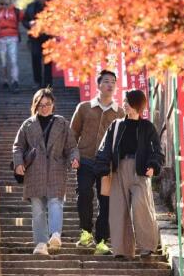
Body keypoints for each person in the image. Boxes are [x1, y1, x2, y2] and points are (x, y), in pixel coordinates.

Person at [95, 90, 165, 259]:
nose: (124, 104)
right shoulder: (116, 125)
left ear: (137, 105)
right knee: (119, 209)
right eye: (125, 101)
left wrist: (153, 165)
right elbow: (104, 148)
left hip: (140, 171)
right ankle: (122, 250)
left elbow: (157, 150)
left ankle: (147, 246)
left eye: (128, 101)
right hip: (118, 170)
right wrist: (103, 166)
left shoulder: (147, 126)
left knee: (141, 206)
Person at [12, 88, 79, 255]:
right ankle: (41, 244)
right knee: (38, 210)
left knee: (55, 202)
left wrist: (74, 158)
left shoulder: (62, 123)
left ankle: (55, 234)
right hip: (34, 172)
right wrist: (18, 163)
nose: (44, 108)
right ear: (35, 106)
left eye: (48, 104)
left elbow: (71, 147)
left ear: (53, 104)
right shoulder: (28, 124)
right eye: (41, 105)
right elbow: (18, 147)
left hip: (56, 170)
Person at [70, 70, 125, 255]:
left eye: (113, 82)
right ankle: (86, 232)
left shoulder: (120, 112)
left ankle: (102, 241)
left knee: (106, 202)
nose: (110, 85)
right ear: (99, 85)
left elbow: (123, 142)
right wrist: (74, 154)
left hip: (107, 166)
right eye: (106, 81)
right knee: (84, 194)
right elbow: (72, 134)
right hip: (85, 160)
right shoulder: (84, 107)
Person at [0, 0, 23, 93]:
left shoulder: (16, 11)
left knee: (13, 60)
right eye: (2, 3)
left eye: (7, 3)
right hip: (0, 38)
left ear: (11, 2)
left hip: (13, 37)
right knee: (3, 60)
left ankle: (15, 81)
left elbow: (24, 17)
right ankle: (4, 80)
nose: (4, 5)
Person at [23, 0, 53, 89]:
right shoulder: (31, 7)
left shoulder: (52, 6)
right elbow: (24, 20)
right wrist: (29, 24)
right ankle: (37, 81)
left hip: (48, 37)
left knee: (48, 61)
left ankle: (48, 83)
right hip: (35, 37)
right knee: (35, 57)